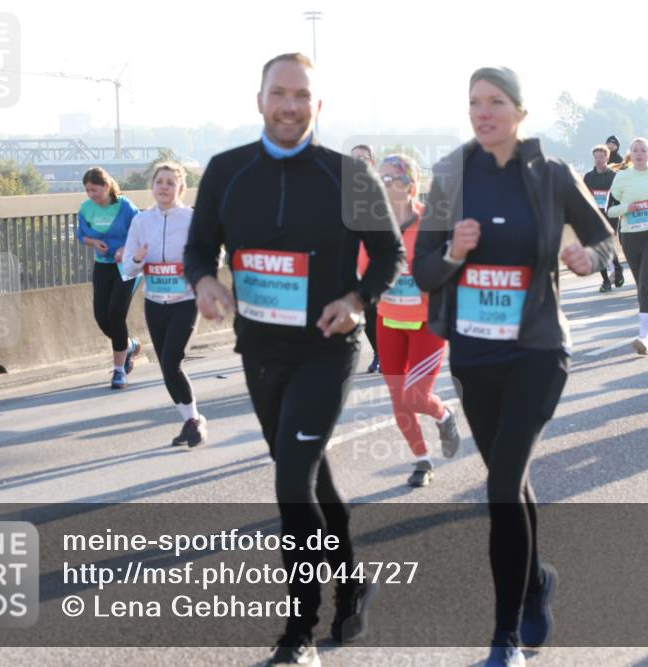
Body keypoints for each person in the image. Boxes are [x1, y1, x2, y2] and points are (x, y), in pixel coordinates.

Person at [183, 53, 404, 665]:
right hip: (258, 352)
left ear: (318, 106)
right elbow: (199, 248)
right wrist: (203, 281)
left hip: (326, 350)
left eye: (301, 95)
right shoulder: (227, 172)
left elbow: (388, 255)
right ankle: (354, 580)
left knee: (290, 481)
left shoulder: (347, 176)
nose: (289, 105)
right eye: (278, 94)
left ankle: (298, 632)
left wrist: (359, 299)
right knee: (308, 474)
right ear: (259, 101)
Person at [413, 67, 615, 667]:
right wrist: (454, 251)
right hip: (475, 354)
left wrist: (587, 257)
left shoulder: (551, 175)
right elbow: (424, 269)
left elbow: (605, 241)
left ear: (520, 113)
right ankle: (535, 584)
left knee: (500, 484)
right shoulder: (452, 176)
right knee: (513, 480)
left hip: (538, 350)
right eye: (474, 102)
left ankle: (504, 638)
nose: (482, 111)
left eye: (495, 101)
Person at [357, 154, 461, 488]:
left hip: (426, 323)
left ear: (411, 187)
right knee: (398, 399)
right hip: (388, 321)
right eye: (379, 178)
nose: (382, 185)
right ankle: (422, 460)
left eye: (390, 179)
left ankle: (444, 415)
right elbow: (361, 269)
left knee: (416, 396)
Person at [122, 162, 207, 446]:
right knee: (166, 366)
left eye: (171, 183)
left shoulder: (193, 219)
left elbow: (213, 257)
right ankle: (190, 420)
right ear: (153, 187)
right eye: (160, 182)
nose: (164, 187)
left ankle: (194, 421)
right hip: (155, 301)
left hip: (185, 300)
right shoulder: (141, 221)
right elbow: (127, 269)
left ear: (181, 189)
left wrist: (192, 266)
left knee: (173, 360)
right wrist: (137, 259)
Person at [606, 138, 648, 354]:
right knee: (640, 286)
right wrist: (628, 207)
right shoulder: (622, 177)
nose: (639, 153)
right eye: (635, 150)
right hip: (630, 236)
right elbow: (611, 210)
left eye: (643, 150)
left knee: (646, 284)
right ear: (630, 154)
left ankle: (642, 336)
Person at [76, 167, 141, 389]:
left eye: (94, 189)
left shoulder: (126, 207)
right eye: (87, 191)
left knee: (116, 314)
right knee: (101, 317)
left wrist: (125, 248)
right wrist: (93, 242)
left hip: (126, 267)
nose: (91, 195)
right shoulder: (85, 209)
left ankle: (119, 370)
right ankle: (129, 345)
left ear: (106, 186)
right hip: (102, 265)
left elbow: (140, 234)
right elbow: (81, 235)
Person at [350, 144, 382, 373]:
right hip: (356, 259)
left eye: (364, 157)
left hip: (382, 259)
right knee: (369, 312)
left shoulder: (383, 187)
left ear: (372, 162)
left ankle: (395, 353)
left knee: (386, 312)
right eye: (354, 158)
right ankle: (379, 354)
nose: (359, 161)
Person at [583, 144, 624, 291]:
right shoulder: (588, 177)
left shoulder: (614, 176)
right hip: (595, 217)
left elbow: (619, 196)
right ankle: (606, 280)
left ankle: (617, 269)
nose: (599, 160)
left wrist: (618, 209)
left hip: (611, 215)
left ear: (607, 157)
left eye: (601, 157)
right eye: (596, 157)